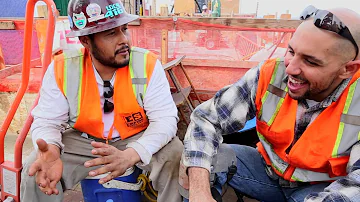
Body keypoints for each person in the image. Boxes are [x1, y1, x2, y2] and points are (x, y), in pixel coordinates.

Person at [180, 5, 360, 202]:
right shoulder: (271, 73)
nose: (290, 68)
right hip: (265, 172)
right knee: (200, 160)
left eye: (310, 62)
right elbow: (206, 119)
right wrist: (199, 192)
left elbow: (355, 186)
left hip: (318, 188)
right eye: (291, 51)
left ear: (348, 69)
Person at [20, 0, 183, 202]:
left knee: (175, 154)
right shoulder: (62, 69)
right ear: (85, 41)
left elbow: (165, 119)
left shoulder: (147, 64)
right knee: (34, 168)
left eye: (124, 29)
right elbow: (47, 121)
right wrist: (51, 149)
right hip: (85, 142)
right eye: (111, 34)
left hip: (136, 137)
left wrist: (133, 153)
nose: (124, 40)